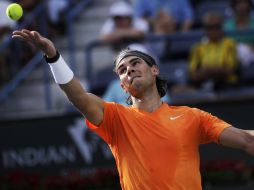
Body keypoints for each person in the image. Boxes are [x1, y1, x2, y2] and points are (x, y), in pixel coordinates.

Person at [12, 29, 254, 190]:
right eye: (122, 70)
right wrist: (53, 56)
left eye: (135, 63)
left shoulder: (192, 117)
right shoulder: (116, 118)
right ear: (122, 86)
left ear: (154, 70)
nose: (129, 70)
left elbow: (245, 139)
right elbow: (77, 96)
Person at [189, 11, 239, 91]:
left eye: (216, 27)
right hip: (205, 84)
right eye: (210, 27)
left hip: (228, 85)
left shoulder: (229, 44)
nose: (213, 30)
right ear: (205, 29)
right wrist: (217, 70)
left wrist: (207, 70)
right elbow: (193, 74)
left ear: (221, 28)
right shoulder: (198, 48)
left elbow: (230, 70)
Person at [223, 0, 254, 67]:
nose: (241, 6)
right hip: (232, 54)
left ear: (249, 5)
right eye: (239, 3)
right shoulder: (226, 26)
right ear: (233, 6)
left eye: (244, 2)